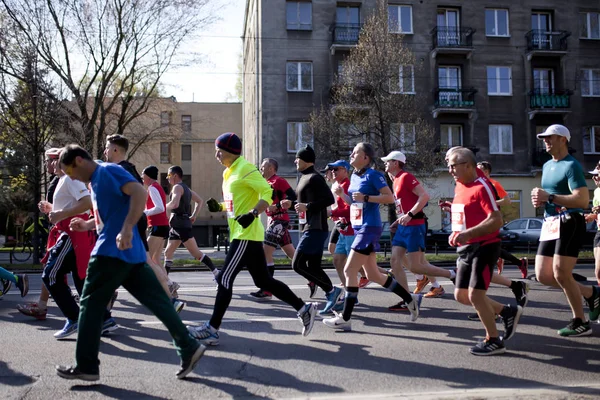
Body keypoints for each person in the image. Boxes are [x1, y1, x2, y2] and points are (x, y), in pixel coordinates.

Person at [55, 145, 206, 381]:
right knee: (158, 302)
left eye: (71, 172)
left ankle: (86, 365)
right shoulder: (96, 180)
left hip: (109, 253)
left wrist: (126, 228)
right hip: (130, 253)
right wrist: (86, 225)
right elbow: (111, 213)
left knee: (89, 305)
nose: (72, 177)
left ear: (79, 161)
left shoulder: (107, 172)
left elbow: (139, 192)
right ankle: (188, 347)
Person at [187, 133, 318, 345]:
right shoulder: (228, 172)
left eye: (219, 150)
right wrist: (219, 206)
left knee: (224, 279)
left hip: (245, 234)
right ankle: (304, 309)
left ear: (231, 151)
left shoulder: (245, 168)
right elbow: (235, 201)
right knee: (264, 281)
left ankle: (212, 329)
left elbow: (266, 192)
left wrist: (253, 213)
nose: (216, 154)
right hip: (242, 233)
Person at [323, 143, 421, 331]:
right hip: (359, 227)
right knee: (373, 274)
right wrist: (342, 194)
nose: (351, 154)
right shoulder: (354, 176)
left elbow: (389, 198)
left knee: (349, 270)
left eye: (355, 152)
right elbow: (354, 202)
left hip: (369, 227)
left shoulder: (374, 175)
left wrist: (368, 198)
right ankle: (410, 299)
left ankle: (346, 317)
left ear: (365, 157)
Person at [447, 147, 523, 355]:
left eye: (453, 165)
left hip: (485, 246)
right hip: (466, 247)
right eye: (449, 166)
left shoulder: (482, 186)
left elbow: (495, 219)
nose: (450, 169)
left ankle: (494, 340)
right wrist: (455, 221)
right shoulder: (459, 185)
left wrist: (467, 233)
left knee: (476, 295)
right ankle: (506, 311)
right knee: (462, 296)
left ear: (469, 166)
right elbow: (468, 209)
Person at [532, 125, 599, 336]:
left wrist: (550, 198)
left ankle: (580, 321)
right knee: (542, 275)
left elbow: (581, 199)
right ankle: (591, 293)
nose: (546, 141)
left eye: (550, 138)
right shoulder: (547, 165)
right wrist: (540, 200)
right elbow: (549, 195)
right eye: (544, 138)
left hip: (570, 221)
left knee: (561, 273)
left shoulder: (572, 165)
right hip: (550, 222)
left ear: (563, 139)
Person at [39, 154, 110, 340]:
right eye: (49, 160)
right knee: (80, 279)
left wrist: (61, 213)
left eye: (53, 159)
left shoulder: (70, 179)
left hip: (72, 232)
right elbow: (74, 204)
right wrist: (52, 209)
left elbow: (86, 203)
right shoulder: (65, 180)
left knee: (51, 274)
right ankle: (104, 318)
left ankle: (74, 318)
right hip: (71, 231)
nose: (50, 163)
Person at [383, 151, 455, 312]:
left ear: (396, 163)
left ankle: (452, 274)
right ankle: (407, 299)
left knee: (416, 266)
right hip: (403, 226)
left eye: (387, 161)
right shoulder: (395, 181)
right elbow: (404, 204)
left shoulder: (406, 177)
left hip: (415, 225)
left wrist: (409, 215)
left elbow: (424, 196)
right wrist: (400, 218)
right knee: (395, 261)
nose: (385, 164)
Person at [281, 145, 340, 316]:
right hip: (309, 227)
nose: (294, 161)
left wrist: (307, 206)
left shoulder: (315, 177)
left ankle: (332, 292)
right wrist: (291, 205)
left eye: (297, 158)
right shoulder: (304, 177)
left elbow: (328, 199)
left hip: (316, 228)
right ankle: (335, 298)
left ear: (306, 160)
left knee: (297, 264)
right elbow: (304, 207)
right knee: (314, 267)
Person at [18, 148, 61, 319]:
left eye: (46, 161)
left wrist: (51, 208)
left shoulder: (63, 180)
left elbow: (81, 203)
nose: (45, 164)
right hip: (59, 230)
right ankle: (43, 306)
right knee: (53, 270)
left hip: (65, 230)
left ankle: (101, 308)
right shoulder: (58, 180)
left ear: (53, 161)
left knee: (51, 269)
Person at [249, 158, 297, 300]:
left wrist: (277, 207)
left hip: (280, 220)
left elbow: (293, 196)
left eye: (263, 167)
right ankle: (312, 277)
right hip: (273, 221)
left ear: (271, 168)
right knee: (292, 254)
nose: (261, 169)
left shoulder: (278, 181)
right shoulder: (265, 183)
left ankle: (267, 290)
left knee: (265, 253)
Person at [163, 165, 216, 281]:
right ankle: (165, 282)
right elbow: (199, 201)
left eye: (168, 176)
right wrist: (194, 216)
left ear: (175, 176)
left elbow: (175, 204)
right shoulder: (186, 188)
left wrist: (162, 207)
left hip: (181, 226)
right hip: (176, 226)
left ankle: (217, 274)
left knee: (197, 254)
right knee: (168, 252)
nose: (167, 178)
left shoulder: (177, 187)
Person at [477, 161, 528, 278]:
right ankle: (503, 260)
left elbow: (507, 200)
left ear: (486, 171)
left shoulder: (494, 184)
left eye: (479, 170)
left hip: (492, 219)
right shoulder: (479, 185)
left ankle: (518, 263)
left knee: (485, 245)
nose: (476, 172)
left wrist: (491, 203)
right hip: (482, 220)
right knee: (487, 246)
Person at [326, 160, 357, 289]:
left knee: (359, 267)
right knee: (338, 261)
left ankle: (388, 277)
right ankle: (349, 293)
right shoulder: (338, 185)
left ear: (345, 170)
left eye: (336, 169)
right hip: (343, 230)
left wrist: (331, 212)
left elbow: (351, 209)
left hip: (350, 230)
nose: (333, 172)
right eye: (332, 170)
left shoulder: (347, 185)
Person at [584, 162, 600, 286]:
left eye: (597, 175)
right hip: (599, 232)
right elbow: (596, 212)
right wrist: (591, 216)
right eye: (593, 175)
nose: (594, 178)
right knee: (598, 271)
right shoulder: (596, 192)